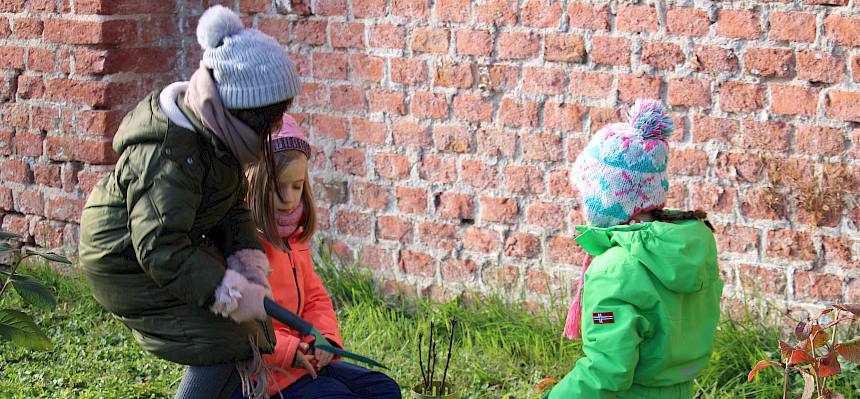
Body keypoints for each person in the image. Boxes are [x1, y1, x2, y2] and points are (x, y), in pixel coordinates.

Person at [78, 6, 301, 399]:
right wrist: (223, 288)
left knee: (250, 332)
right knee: (222, 342)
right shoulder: (170, 154)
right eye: (269, 120)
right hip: (123, 257)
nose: (275, 130)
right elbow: (159, 246)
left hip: (172, 246)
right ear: (239, 108)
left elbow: (231, 206)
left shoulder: (219, 133)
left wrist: (246, 263)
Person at [546, 99, 724, 398]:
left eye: (584, 196)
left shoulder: (615, 268)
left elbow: (606, 370)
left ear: (606, 200)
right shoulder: (689, 246)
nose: (581, 205)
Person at [230, 114, 402, 399]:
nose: (289, 198)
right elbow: (240, 324)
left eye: (296, 186)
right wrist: (289, 351)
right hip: (263, 374)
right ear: (255, 183)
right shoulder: (243, 246)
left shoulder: (294, 238)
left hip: (302, 360)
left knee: (384, 390)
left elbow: (314, 297)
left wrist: (321, 338)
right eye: (277, 187)